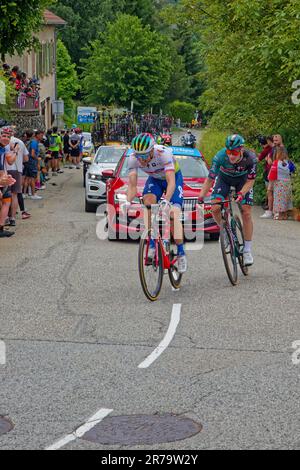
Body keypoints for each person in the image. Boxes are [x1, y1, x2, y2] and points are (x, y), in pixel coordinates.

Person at [125, 133, 188, 274]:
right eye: (138, 155)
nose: (141, 160)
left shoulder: (163, 153)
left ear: (152, 150)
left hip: (173, 178)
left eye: (144, 156)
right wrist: (127, 202)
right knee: (147, 203)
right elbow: (132, 185)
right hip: (154, 180)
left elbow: (171, 182)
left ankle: (181, 252)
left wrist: (166, 200)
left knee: (172, 215)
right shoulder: (133, 158)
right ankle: (152, 243)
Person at [199, 134, 257, 267]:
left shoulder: (251, 159)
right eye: (229, 152)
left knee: (246, 212)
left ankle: (247, 250)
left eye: (234, 152)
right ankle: (224, 229)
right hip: (224, 179)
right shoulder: (220, 156)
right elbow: (210, 179)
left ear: (241, 150)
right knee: (215, 208)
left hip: (242, 182)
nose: (231, 155)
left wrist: (241, 193)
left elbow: (251, 181)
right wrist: (201, 195)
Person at [0, 127, 17, 237]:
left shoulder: (3, 149)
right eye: (3, 136)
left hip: (3, 178)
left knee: (6, 201)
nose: (6, 138)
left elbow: (5, 164)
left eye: (8, 137)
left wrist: (5, 175)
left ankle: (1, 228)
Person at [268, 147, 293, 220]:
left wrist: (270, 186)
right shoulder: (289, 162)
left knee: (279, 199)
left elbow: (272, 175)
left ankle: (280, 215)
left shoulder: (276, 163)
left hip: (279, 183)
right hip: (287, 183)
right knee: (285, 199)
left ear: (277, 154)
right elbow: (292, 171)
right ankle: (284, 215)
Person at [23, 130, 44, 200]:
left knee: (27, 178)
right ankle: (33, 194)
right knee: (32, 178)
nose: (42, 137)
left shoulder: (31, 141)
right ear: (37, 135)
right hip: (32, 162)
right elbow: (32, 154)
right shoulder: (34, 142)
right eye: (41, 135)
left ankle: (24, 193)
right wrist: (37, 159)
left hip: (27, 162)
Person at [258, 136, 274, 216]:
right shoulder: (272, 149)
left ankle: (269, 207)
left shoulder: (267, 150)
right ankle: (270, 207)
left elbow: (259, 159)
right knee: (271, 190)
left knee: (269, 190)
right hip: (272, 171)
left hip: (269, 171)